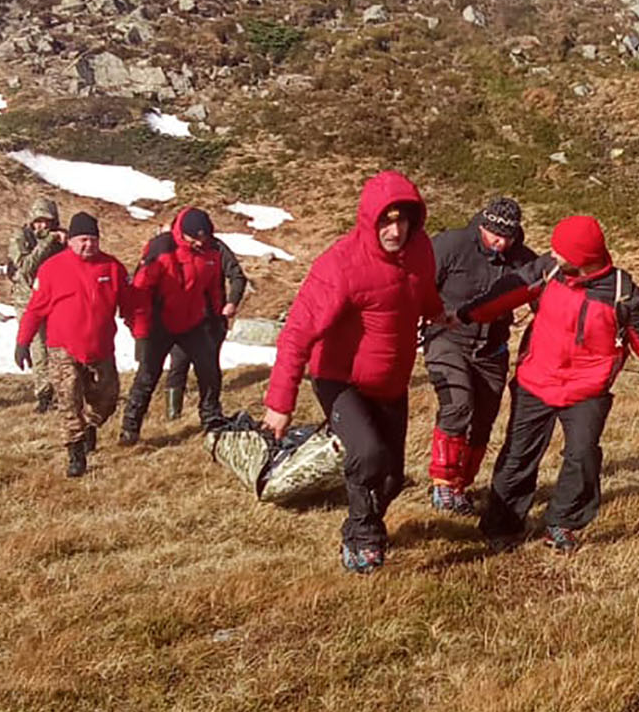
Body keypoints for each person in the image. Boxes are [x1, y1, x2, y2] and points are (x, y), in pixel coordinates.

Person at [456, 215, 639, 554]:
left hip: (587, 391)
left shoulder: (622, 293)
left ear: (584, 258)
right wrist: (465, 314)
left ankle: (563, 523)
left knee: (582, 457)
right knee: (518, 455)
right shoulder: (549, 270)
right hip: (536, 381)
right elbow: (507, 293)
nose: (552, 252)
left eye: (562, 251)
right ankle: (501, 526)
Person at [262, 170, 444, 574]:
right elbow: (296, 334)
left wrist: (438, 314)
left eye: (403, 219)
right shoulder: (340, 266)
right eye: (386, 219)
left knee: (393, 478)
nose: (395, 230)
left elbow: (422, 290)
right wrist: (279, 402)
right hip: (340, 379)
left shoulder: (420, 250)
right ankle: (361, 538)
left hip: (391, 382)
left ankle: (364, 522)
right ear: (369, 219)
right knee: (368, 455)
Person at [422, 197, 537, 516]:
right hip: (447, 338)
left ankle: (461, 485)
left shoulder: (523, 260)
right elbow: (418, 286)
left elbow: (545, 296)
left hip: (492, 349)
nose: (500, 243)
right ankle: (443, 484)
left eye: (507, 238)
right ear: (482, 226)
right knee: (458, 404)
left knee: (483, 420)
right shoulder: (450, 244)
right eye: (494, 235)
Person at [14, 212, 135, 478]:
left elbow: (131, 306)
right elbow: (35, 310)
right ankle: (75, 452)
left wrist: (141, 334)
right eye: (81, 240)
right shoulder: (52, 269)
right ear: (70, 240)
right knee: (68, 399)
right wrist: (23, 342)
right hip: (62, 348)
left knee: (108, 399)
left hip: (101, 347)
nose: (87, 245)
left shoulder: (113, 268)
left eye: (92, 240)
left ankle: (91, 426)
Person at [120, 207, 228, 443]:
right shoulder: (161, 248)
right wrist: (141, 331)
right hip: (159, 323)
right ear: (184, 233)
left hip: (193, 321)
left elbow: (214, 290)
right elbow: (140, 291)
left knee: (209, 370)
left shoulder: (212, 251)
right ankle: (130, 427)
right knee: (148, 375)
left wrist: (217, 318)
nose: (200, 243)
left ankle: (212, 420)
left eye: (204, 237)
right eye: (195, 238)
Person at [162, 237, 247, 420]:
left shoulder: (217, 247)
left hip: (211, 320)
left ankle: (209, 413)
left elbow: (237, 275)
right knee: (178, 362)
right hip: (182, 319)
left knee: (208, 367)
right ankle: (172, 415)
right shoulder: (172, 248)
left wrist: (232, 302)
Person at [7, 197, 65, 412]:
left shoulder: (61, 239)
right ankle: (44, 394)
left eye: (47, 221)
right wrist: (48, 242)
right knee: (38, 347)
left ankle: (62, 389)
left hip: (54, 298)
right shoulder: (21, 237)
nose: (42, 226)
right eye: (38, 221)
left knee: (57, 346)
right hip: (28, 299)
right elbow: (25, 267)